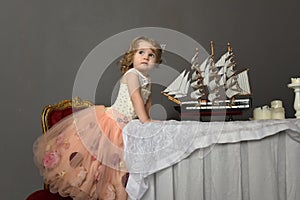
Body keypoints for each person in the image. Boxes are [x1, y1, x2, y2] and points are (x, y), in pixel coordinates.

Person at [33, 36, 162, 200]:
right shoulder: (132, 75)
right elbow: (136, 98)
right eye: (141, 52)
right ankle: (93, 189)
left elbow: (146, 102)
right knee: (99, 162)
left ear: (156, 61)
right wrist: (145, 121)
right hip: (113, 122)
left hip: (128, 125)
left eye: (151, 55)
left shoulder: (147, 80)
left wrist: (147, 121)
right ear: (131, 57)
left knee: (121, 166)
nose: (146, 57)